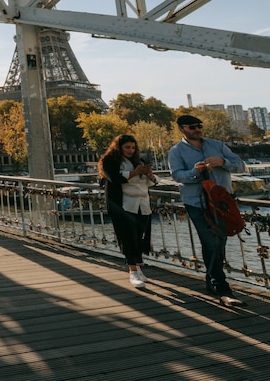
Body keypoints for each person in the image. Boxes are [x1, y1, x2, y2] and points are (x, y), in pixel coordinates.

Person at [168, 114, 246, 306]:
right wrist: (196, 172)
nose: (197, 129)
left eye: (199, 126)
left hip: (222, 202)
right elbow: (177, 176)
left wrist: (223, 162)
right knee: (210, 241)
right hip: (197, 203)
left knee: (220, 241)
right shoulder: (176, 151)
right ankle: (221, 287)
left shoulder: (217, 145)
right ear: (182, 129)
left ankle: (212, 280)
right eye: (192, 127)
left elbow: (241, 165)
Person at [99, 134, 155, 288]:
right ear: (119, 147)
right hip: (122, 204)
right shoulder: (109, 161)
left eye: (133, 147)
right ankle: (133, 270)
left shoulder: (139, 161)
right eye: (127, 147)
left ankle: (138, 266)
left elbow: (149, 183)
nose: (131, 150)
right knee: (127, 236)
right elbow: (115, 178)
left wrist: (150, 175)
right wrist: (136, 172)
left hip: (142, 203)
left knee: (140, 236)